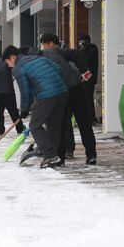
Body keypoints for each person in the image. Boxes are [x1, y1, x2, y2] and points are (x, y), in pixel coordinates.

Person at [2, 45, 68, 168]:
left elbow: (25, 91)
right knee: (53, 126)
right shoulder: (38, 58)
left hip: (47, 95)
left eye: (8, 62)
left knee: (34, 125)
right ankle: (55, 157)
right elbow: (58, 69)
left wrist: (24, 110)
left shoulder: (18, 68)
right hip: (62, 92)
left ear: (12, 57)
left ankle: (50, 155)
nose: (9, 66)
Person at [38, 32, 98, 165]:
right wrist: (84, 70)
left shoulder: (48, 53)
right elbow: (75, 54)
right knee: (75, 123)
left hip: (67, 89)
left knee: (70, 123)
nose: (43, 48)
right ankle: (83, 155)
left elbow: (75, 54)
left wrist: (84, 70)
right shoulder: (53, 52)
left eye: (44, 45)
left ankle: (69, 157)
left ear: (51, 44)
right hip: (73, 87)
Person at [0, 47, 23, 136]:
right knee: (13, 111)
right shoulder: (6, 63)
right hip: (8, 92)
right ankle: (19, 128)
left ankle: (0, 131)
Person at [78, 34, 99, 124]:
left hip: (89, 77)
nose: (79, 44)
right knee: (83, 97)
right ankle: (86, 117)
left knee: (88, 97)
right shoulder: (85, 50)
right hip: (83, 77)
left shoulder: (92, 49)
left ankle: (91, 118)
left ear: (86, 41)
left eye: (81, 42)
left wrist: (82, 50)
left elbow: (85, 59)